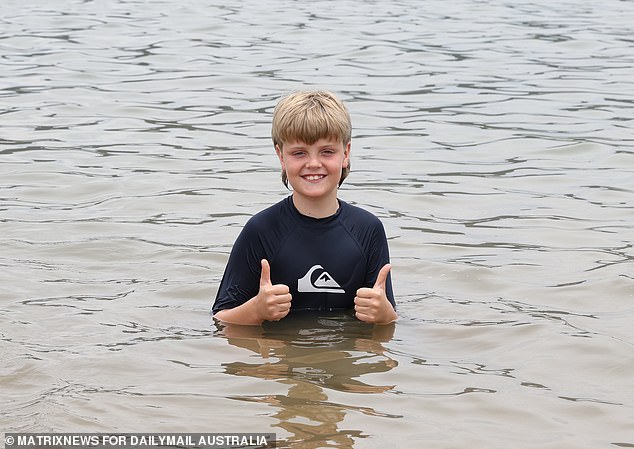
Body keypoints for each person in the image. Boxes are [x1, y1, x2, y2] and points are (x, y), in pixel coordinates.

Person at [212, 90, 397, 325]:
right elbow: (220, 320)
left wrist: (384, 315)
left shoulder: (368, 230)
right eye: (299, 153)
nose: (313, 164)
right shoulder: (261, 230)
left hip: (340, 359)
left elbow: (388, 315)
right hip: (280, 359)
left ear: (346, 153)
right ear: (281, 156)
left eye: (327, 151)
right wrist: (256, 310)